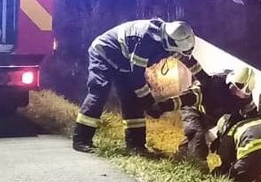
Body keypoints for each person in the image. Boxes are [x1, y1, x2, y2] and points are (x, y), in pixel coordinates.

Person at [71, 18, 198, 154]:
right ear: (170, 43)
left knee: (131, 100)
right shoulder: (145, 41)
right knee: (99, 92)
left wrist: (204, 78)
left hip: (125, 62)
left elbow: (186, 58)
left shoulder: (169, 37)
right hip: (104, 53)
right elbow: (136, 78)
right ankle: (81, 140)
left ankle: (136, 146)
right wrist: (149, 102)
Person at [147, 66, 256, 162]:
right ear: (229, 82)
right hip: (194, 111)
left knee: (199, 139)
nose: (239, 95)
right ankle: (198, 166)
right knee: (197, 134)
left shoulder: (245, 100)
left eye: (243, 94)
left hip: (211, 118)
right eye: (236, 90)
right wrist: (161, 107)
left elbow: (251, 115)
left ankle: (181, 155)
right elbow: (186, 98)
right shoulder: (213, 87)